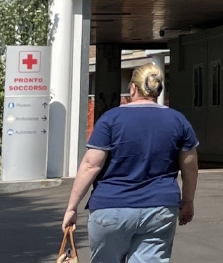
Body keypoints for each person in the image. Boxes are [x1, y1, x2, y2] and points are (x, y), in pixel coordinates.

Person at [62, 63, 199, 263]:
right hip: (159, 208)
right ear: (158, 90)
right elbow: (190, 167)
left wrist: (72, 208)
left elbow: (91, 166)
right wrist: (187, 202)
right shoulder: (178, 120)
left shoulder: (111, 119)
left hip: (111, 207)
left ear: (133, 88)